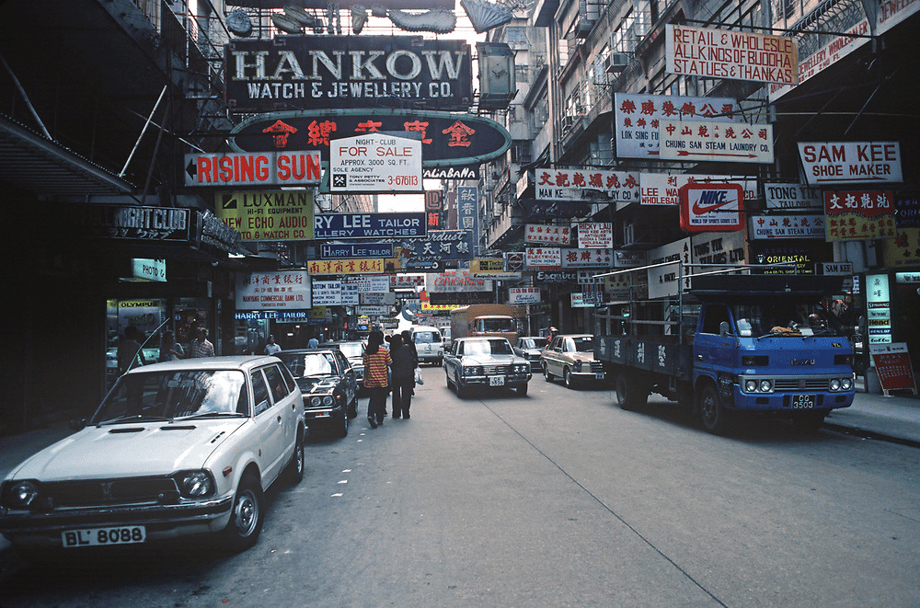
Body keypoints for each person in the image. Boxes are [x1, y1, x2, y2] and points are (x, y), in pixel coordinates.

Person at [362, 329, 391, 429]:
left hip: (371, 380)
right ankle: (379, 419)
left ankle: (370, 415)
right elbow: (390, 362)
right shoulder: (384, 351)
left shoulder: (367, 353)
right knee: (381, 399)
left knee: (373, 399)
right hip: (382, 380)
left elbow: (366, 367)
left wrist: (365, 379)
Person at [390, 334, 416, 419]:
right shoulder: (406, 348)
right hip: (407, 374)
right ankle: (405, 412)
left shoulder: (392, 350)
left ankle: (396, 413)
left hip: (396, 374)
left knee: (396, 394)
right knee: (406, 394)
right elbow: (412, 357)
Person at [401, 329, 419, 396]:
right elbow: (414, 353)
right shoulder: (411, 343)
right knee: (411, 375)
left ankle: (407, 388)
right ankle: (411, 388)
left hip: (403, 363)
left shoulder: (401, 344)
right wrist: (417, 361)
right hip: (411, 362)